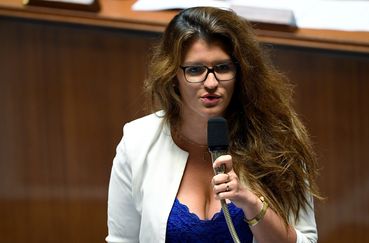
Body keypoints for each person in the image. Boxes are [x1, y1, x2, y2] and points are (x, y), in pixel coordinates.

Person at [106, 6, 320, 243]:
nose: (210, 82)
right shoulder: (138, 141)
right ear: (173, 75)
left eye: (222, 68)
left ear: (241, 72)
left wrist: (250, 202)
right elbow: (122, 240)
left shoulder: (279, 141)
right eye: (195, 70)